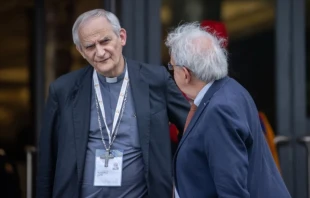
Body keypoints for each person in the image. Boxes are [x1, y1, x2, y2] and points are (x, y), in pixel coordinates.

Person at [36, 9, 190, 198]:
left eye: (105, 41)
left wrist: (178, 174)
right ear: (81, 51)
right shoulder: (63, 90)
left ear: (122, 37)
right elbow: (47, 160)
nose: (100, 52)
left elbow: (193, 127)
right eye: (90, 46)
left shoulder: (156, 80)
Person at [165, 22, 291, 198]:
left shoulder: (219, 109)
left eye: (171, 67)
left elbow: (232, 190)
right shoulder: (229, 89)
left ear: (185, 73)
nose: (171, 72)